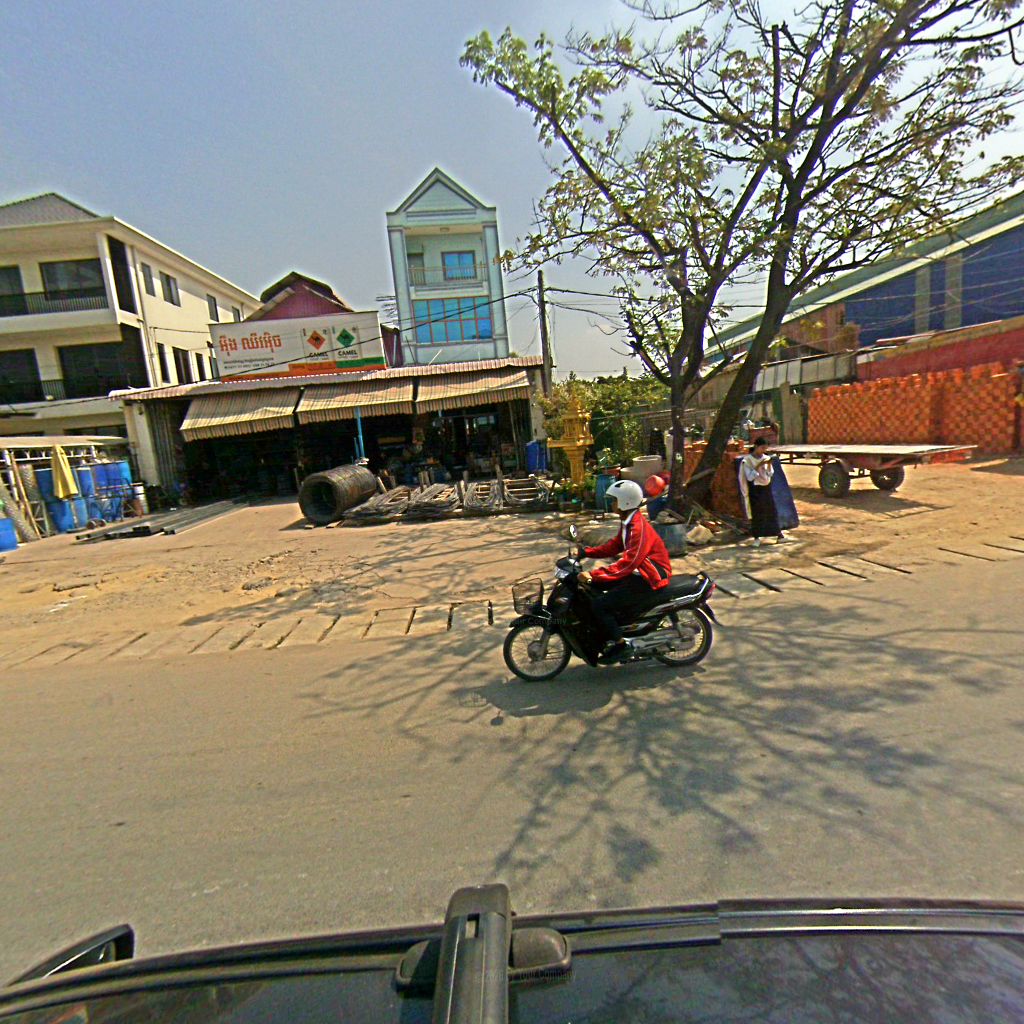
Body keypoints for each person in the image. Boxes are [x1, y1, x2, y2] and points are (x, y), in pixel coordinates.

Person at [579, 478, 672, 660]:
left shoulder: (637, 528)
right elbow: (615, 545)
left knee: (600, 605)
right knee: (594, 591)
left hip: (649, 576)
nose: (612, 504)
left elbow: (628, 563)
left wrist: (594, 574)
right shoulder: (628, 522)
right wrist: (586, 552)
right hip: (639, 572)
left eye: (615, 500)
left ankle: (621, 644)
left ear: (625, 502)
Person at [738, 437, 785, 548]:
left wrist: (767, 465)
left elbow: (770, 474)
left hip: (766, 487)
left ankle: (779, 535)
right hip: (755, 489)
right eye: (762, 448)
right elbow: (749, 477)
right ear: (756, 446)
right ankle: (757, 537)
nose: (763, 450)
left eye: (765, 448)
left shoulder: (766, 458)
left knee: (771, 511)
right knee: (757, 513)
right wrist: (759, 465)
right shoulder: (747, 460)